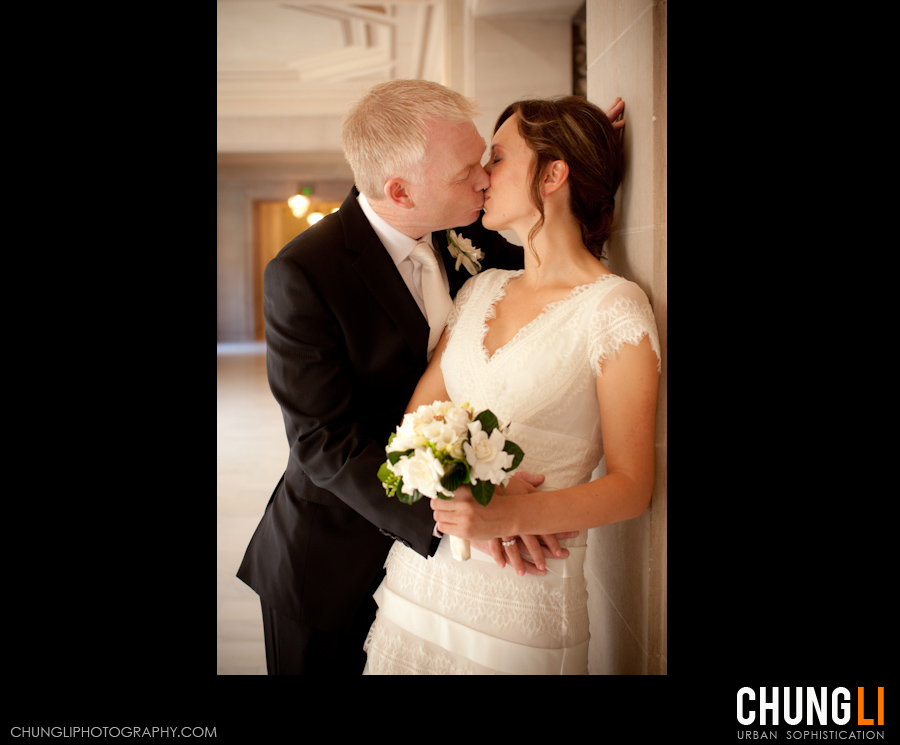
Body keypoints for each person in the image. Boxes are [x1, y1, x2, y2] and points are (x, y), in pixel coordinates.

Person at [236, 79, 622, 674]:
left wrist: (582, 157)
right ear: (400, 190)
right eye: (469, 169)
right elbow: (322, 444)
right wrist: (464, 507)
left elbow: (552, 256)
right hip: (332, 561)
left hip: (444, 578)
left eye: (488, 160)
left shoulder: (470, 227)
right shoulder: (305, 273)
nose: (486, 178)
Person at [362, 95, 660, 675]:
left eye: (496, 159)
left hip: (522, 598)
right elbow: (411, 434)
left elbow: (632, 486)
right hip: (424, 580)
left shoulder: (614, 307)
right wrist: (470, 496)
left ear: (553, 174)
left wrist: (511, 518)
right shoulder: (480, 290)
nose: (481, 176)